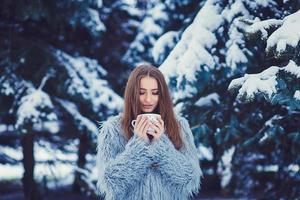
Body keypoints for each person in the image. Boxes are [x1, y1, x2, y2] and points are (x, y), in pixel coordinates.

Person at [96, 64, 202, 200]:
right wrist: (139, 145)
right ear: (132, 93)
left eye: (154, 92)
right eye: (141, 92)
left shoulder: (179, 126)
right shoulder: (112, 129)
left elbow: (189, 179)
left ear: (162, 94)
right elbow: (110, 183)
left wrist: (162, 146)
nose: (148, 99)